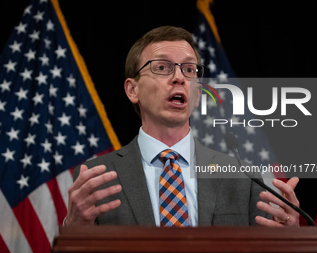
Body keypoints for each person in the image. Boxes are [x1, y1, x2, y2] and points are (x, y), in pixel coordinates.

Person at [65, 26, 300, 227]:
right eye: (162, 67)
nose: (179, 78)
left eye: (189, 70)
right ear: (132, 90)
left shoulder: (245, 178)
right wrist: (74, 230)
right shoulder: (95, 178)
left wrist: (289, 239)